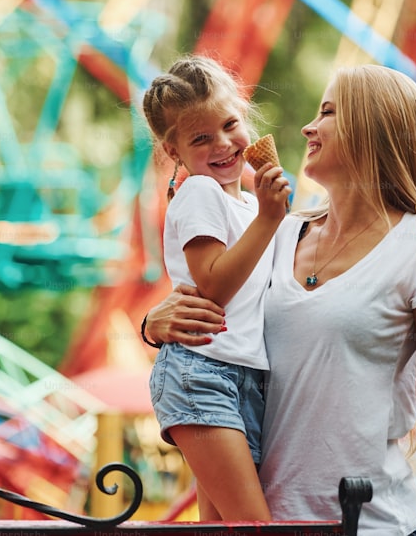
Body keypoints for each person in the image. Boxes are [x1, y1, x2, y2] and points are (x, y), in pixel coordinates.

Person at [143, 64, 416, 535]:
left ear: (371, 129)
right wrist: (154, 323)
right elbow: (216, 307)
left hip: (368, 522)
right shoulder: (277, 233)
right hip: (267, 520)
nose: (307, 126)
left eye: (327, 112)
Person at [140, 54, 291, 521]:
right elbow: (212, 287)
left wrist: (267, 215)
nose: (223, 145)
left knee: (223, 524)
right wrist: (270, 218)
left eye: (230, 125)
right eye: (201, 138)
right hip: (203, 372)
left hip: (245, 376)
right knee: (253, 525)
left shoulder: (246, 205)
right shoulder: (201, 192)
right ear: (174, 151)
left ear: (245, 117)